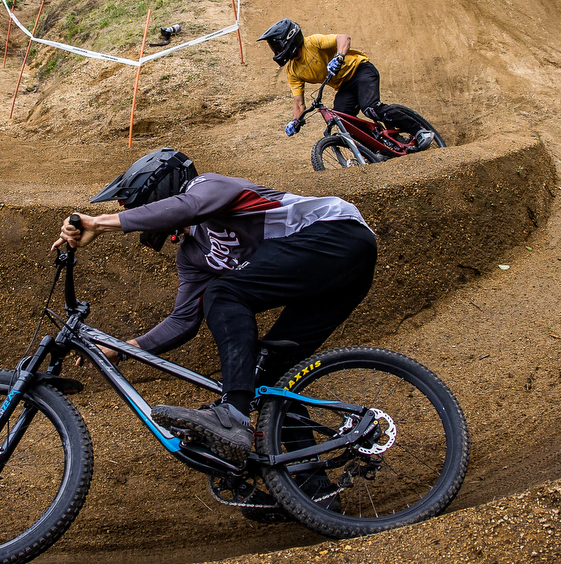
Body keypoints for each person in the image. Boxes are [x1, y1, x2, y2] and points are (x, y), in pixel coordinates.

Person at [54, 148, 376, 461]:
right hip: (334, 280)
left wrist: (100, 223)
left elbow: (190, 207)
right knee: (269, 376)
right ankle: (311, 489)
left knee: (223, 294)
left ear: (161, 192)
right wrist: (122, 348)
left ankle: (232, 413)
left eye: (143, 207)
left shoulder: (207, 186)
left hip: (338, 235)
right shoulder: (193, 255)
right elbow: (183, 321)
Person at [257, 18, 386, 132]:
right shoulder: (292, 71)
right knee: (342, 120)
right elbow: (299, 103)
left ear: (289, 39)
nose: (276, 51)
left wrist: (339, 57)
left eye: (276, 46)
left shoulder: (312, 42)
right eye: (273, 48)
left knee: (370, 108)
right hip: (344, 86)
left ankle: (406, 124)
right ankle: (379, 148)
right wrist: (295, 121)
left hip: (360, 70)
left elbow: (343, 38)